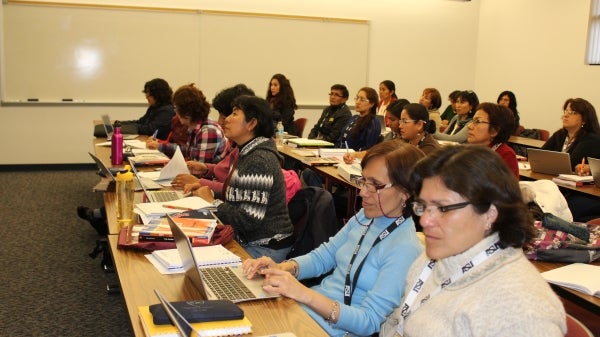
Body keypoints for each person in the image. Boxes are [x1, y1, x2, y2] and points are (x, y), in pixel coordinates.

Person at [380, 145, 566, 337]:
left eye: (443, 208)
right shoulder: (434, 259)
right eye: (423, 206)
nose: (425, 220)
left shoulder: (521, 311)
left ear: (489, 213)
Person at [243, 141, 425, 336]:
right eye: (363, 181)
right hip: (306, 313)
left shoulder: (405, 248)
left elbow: (369, 322)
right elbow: (324, 256)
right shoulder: (365, 216)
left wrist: (303, 293)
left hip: (330, 329)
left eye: (375, 185)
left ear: (406, 192)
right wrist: (282, 268)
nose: (363, 192)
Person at [187, 95, 294, 262]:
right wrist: (208, 194)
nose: (226, 119)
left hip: (264, 248)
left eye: (235, 114)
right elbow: (238, 199)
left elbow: (248, 220)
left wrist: (212, 202)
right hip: (247, 239)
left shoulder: (259, 161)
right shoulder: (246, 152)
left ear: (252, 124)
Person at [172, 84, 255, 197]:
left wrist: (199, 182)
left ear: (251, 122)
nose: (221, 121)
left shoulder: (255, 155)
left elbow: (234, 192)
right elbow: (224, 170)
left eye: (232, 115)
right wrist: (206, 169)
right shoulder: (237, 145)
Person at [303, 87, 381, 187]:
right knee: (309, 171)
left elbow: (370, 150)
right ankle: (323, 197)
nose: (357, 102)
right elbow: (340, 140)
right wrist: (331, 154)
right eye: (357, 98)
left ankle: (325, 199)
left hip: (353, 165)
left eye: (362, 99)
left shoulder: (373, 122)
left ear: (372, 103)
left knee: (311, 174)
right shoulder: (354, 118)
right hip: (339, 158)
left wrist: (354, 155)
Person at [541, 98, 600, 221]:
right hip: (564, 186)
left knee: (561, 208)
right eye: (566, 111)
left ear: (584, 119)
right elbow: (540, 155)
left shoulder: (591, 139)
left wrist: (588, 168)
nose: (566, 115)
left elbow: (569, 164)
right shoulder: (560, 135)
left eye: (572, 112)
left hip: (585, 193)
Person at [146, 84, 226, 164]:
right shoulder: (196, 126)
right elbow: (187, 150)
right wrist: (160, 146)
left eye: (176, 108)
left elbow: (198, 168)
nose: (175, 112)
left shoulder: (208, 132)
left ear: (187, 114)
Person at [467, 102, 519, 179]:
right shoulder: (471, 149)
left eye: (477, 121)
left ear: (494, 130)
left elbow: (502, 189)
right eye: (472, 121)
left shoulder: (505, 154)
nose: (469, 126)